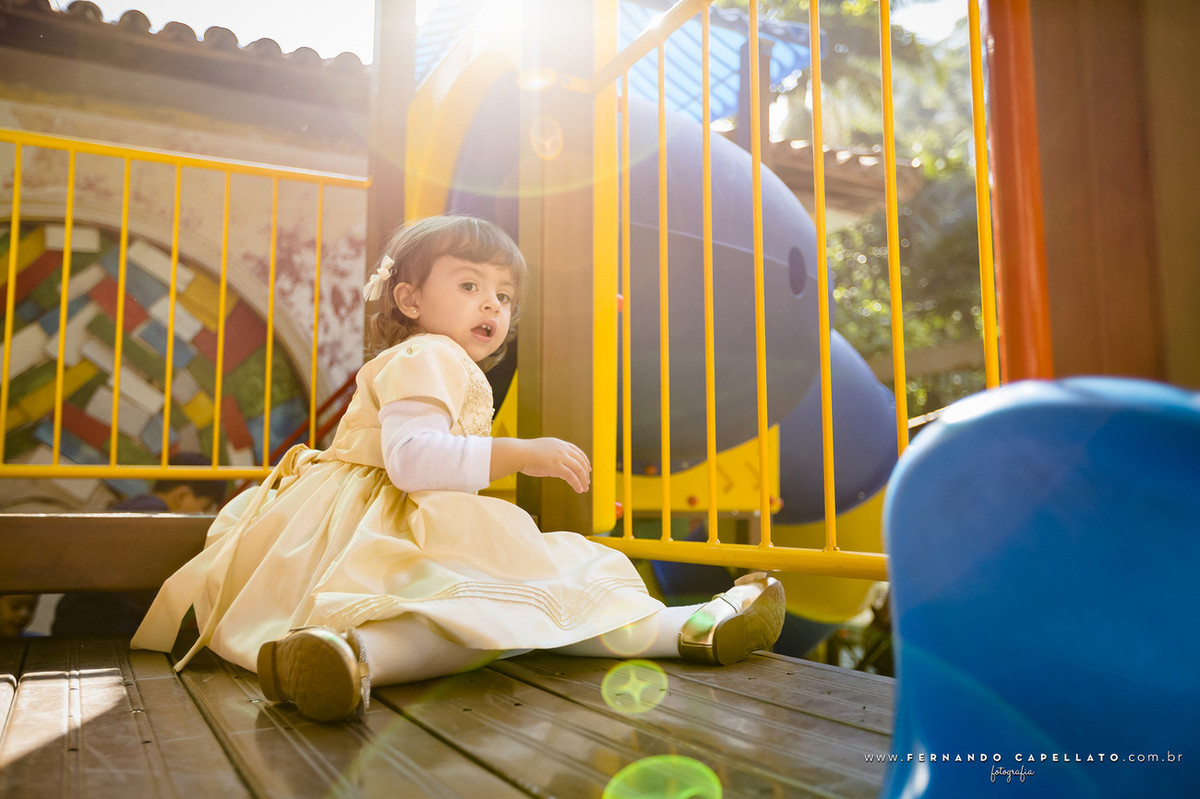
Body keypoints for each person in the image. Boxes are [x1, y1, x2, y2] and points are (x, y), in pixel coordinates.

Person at [133, 215, 784, 722]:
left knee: (512, 604)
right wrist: (521, 452)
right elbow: (413, 462)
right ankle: (689, 625)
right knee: (526, 592)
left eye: (502, 294)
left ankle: (348, 657)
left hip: (380, 516)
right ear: (410, 298)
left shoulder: (437, 358)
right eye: (470, 284)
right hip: (382, 520)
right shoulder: (429, 356)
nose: (492, 305)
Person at [52, 454, 227, 637]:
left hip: (77, 617)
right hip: (107, 626)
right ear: (181, 495)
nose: (205, 515)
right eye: (205, 508)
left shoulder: (133, 507)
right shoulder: (159, 521)